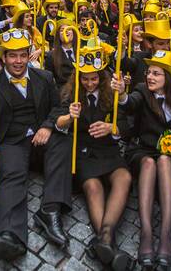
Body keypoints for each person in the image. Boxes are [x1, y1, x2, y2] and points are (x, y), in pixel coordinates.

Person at [0, 28, 72, 262]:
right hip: (11, 142)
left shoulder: (43, 77)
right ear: (3, 58)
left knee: (63, 140)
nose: (18, 61)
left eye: (23, 55)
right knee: (12, 174)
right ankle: (10, 234)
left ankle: (50, 210)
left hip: (38, 139)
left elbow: (59, 108)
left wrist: (47, 125)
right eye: (12, 56)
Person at [118, 51, 171, 269]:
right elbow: (129, 103)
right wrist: (123, 94)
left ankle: (165, 234)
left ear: (169, 78)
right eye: (148, 73)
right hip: (142, 151)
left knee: (162, 160)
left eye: (156, 74)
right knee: (149, 162)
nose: (150, 77)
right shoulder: (142, 91)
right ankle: (145, 233)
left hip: (169, 156)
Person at [56, 45, 133, 269]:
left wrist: (112, 128)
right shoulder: (70, 95)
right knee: (93, 187)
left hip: (108, 150)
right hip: (83, 152)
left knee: (124, 177)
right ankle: (112, 248)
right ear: (78, 78)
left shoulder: (113, 94)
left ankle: (104, 239)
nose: (90, 84)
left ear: (102, 77)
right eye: (86, 79)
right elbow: (58, 123)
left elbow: (128, 126)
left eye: (94, 79)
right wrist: (69, 118)